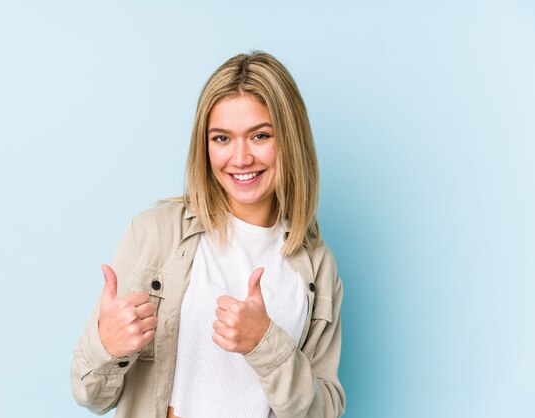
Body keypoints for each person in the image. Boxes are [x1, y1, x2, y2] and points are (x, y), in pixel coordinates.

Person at [70, 51, 345, 418]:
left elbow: (323, 411)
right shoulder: (155, 233)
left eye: (260, 135)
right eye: (221, 139)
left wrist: (265, 344)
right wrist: (108, 346)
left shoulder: (316, 265)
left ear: (289, 140)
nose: (241, 158)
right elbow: (89, 394)